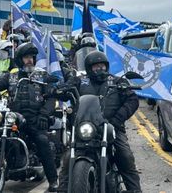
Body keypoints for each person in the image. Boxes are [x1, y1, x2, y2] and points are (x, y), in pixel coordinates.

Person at [58, 51, 142, 193]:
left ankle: (135, 190)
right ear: (89, 68)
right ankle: (62, 190)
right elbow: (67, 87)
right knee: (67, 159)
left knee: (125, 155)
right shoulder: (80, 81)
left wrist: (117, 120)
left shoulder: (117, 81)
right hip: (85, 128)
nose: (100, 69)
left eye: (102, 66)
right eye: (96, 67)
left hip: (111, 127)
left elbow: (132, 100)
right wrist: (60, 89)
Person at [0, 42, 59, 192]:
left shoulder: (42, 75)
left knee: (42, 142)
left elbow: (51, 98)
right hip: (14, 118)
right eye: (26, 58)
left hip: (35, 118)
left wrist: (44, 115)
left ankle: (53, 180)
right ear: (20, 60)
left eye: (32, 58)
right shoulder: (11, 76)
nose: (30, 61)